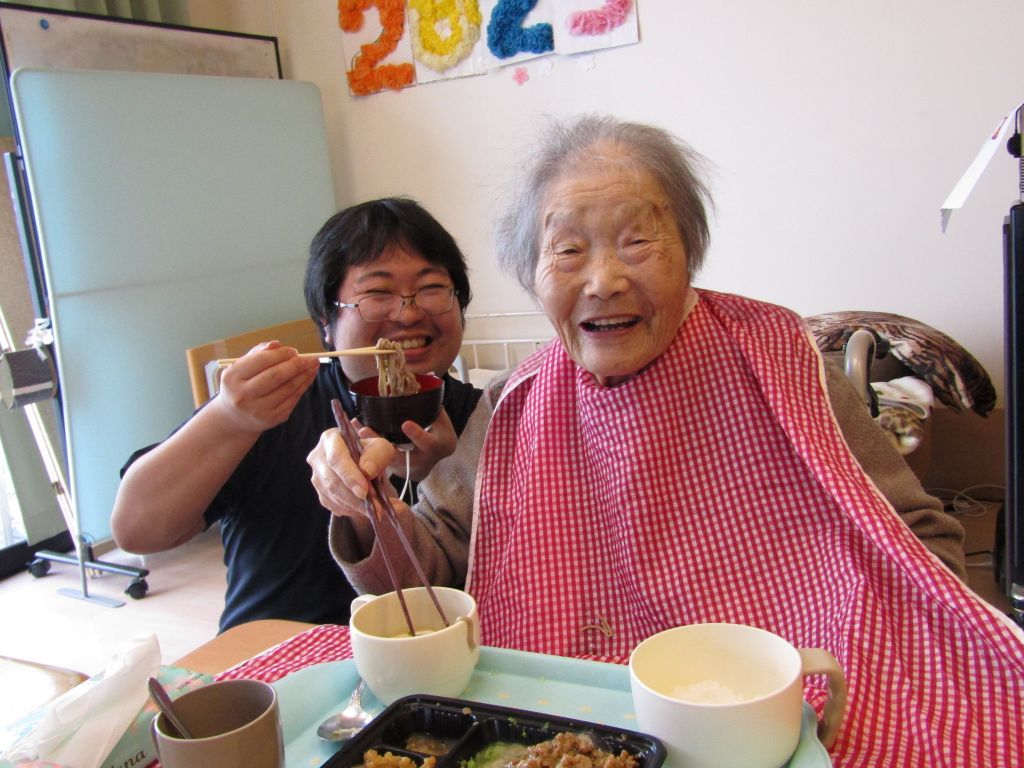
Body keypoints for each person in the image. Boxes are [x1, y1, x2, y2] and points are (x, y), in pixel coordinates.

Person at [311, 117, 1024, 764]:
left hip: (759, 717)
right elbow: (435, 573)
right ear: (532, 274)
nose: (604, 280)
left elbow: (916, 539)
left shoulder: (779, 366)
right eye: (567, 249)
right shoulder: (513, 404)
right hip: (564, 719)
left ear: (690, 253)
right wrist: (369, 506)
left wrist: (885, 657)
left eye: (637, 241)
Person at [111, 198, 482, 632]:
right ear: (326, 319)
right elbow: (138, 531)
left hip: (434, 656)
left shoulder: (488, 416)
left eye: (432, 288)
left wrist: (445, 475)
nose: (409, 311)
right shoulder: (272, 404)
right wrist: (229, 419)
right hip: (276, 653)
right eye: (377, 293)